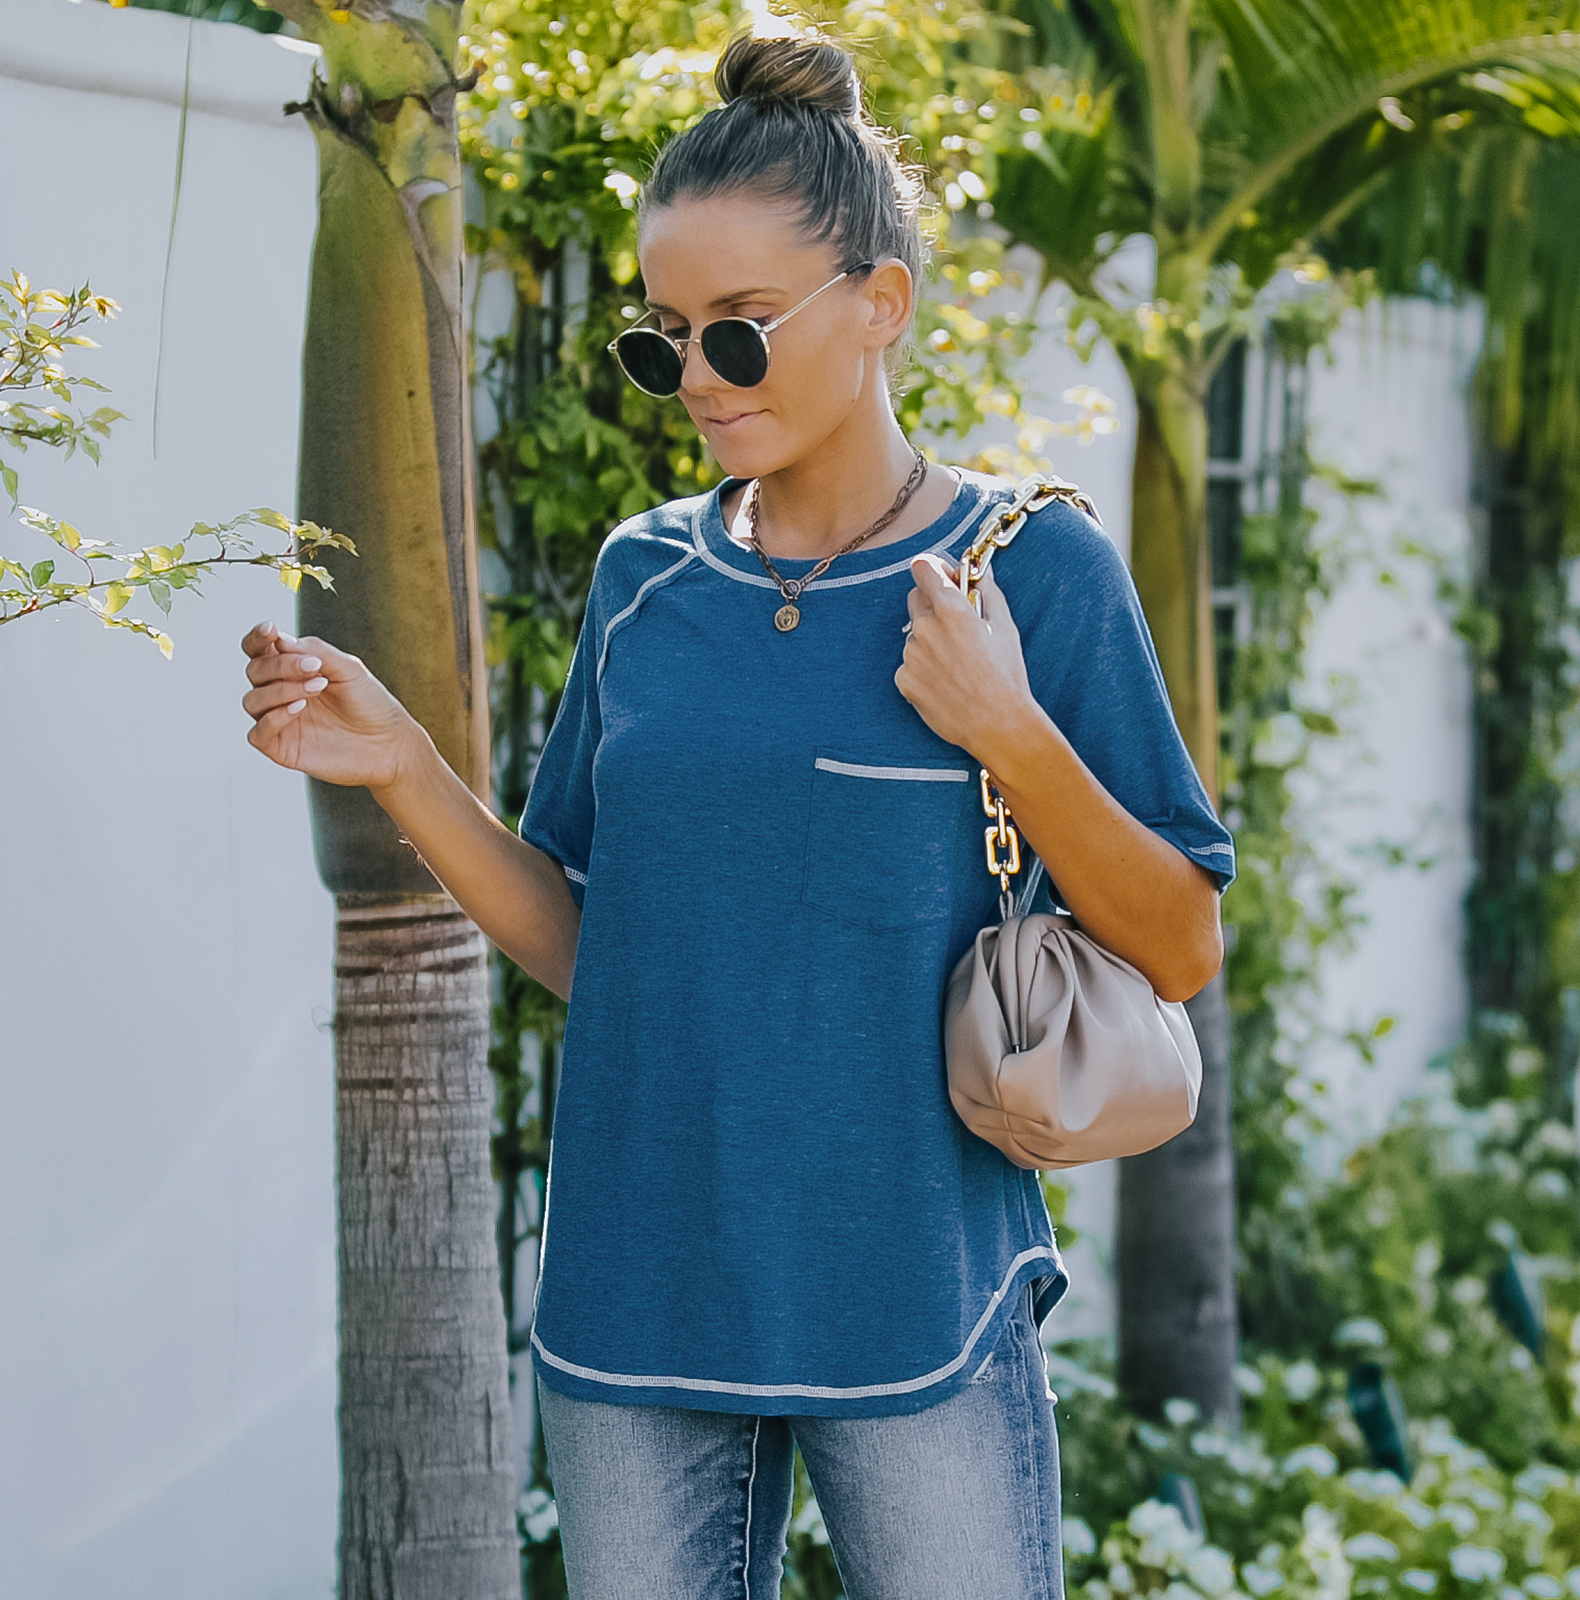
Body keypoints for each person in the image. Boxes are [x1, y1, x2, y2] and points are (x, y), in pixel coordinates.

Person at [240, 21, 1235, 1600]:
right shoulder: (646, 579)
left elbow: (1178, 941)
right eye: (665, 339)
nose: (696, 378)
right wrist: (403, 768)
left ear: (881, 306)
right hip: (638, 1297)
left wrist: (1010, 732)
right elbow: (597, 944)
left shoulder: (1033, 574)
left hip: (919, 1293)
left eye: (740, 333)